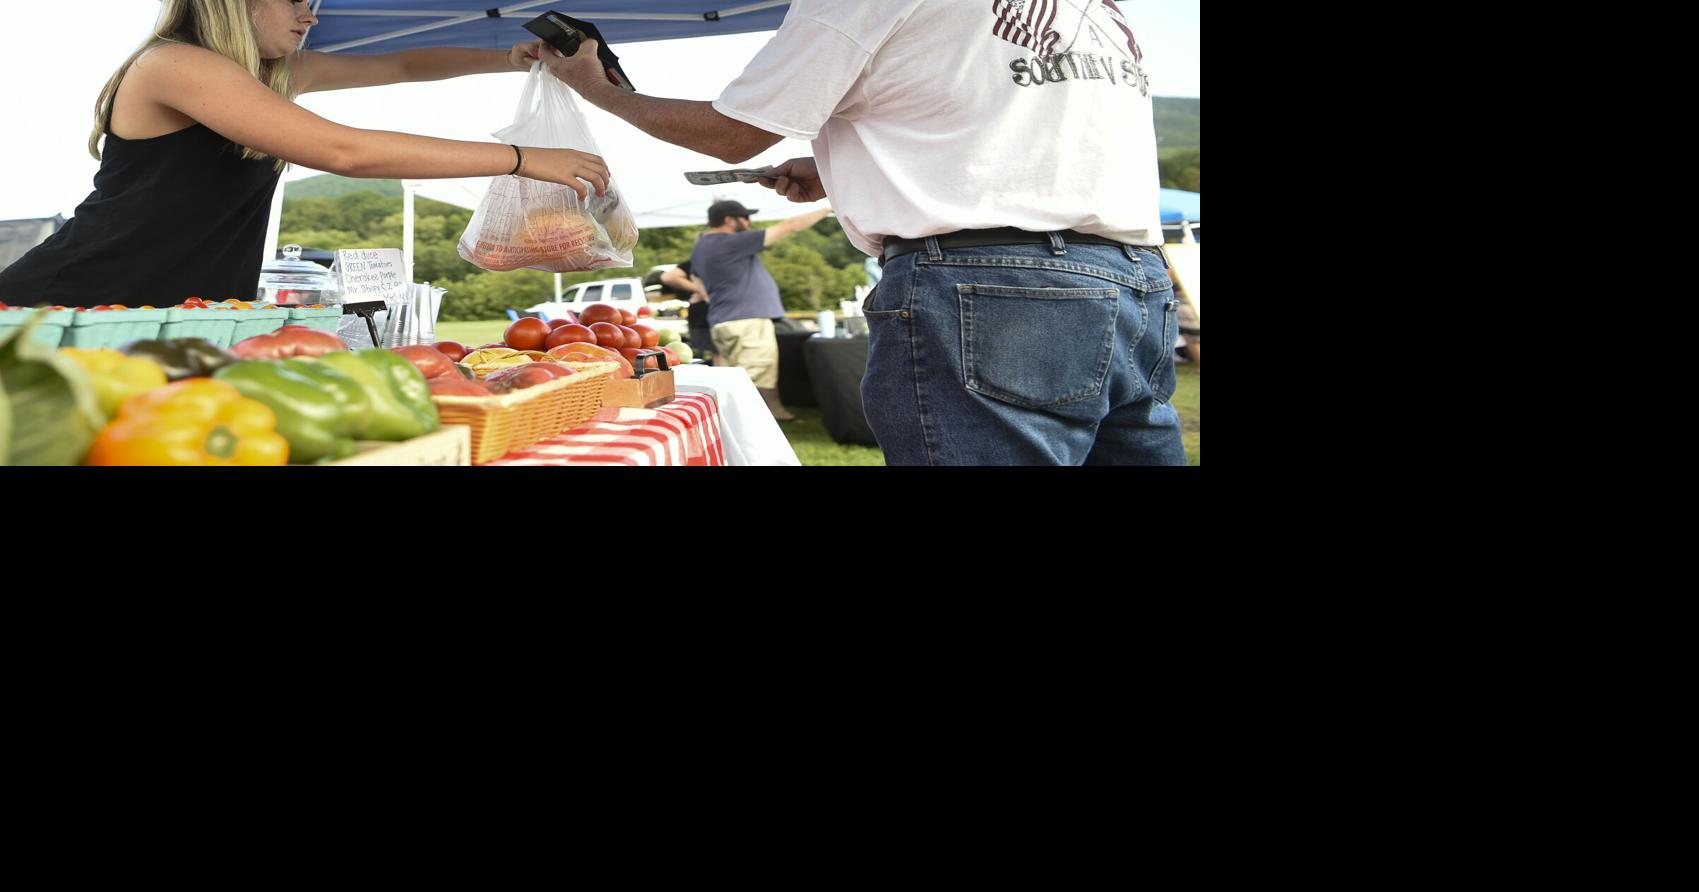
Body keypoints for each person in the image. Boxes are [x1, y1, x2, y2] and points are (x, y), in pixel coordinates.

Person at [542, 0, 1185, 465]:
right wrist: (840, 165)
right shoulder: (1101, 9)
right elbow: (1013, 134)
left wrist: (595, 87)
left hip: (991, 285)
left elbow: (731, 133)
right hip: (1134, 277)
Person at [0, 0, 609, 309]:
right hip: (70, 301)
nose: (309, 13)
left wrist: (504, 57)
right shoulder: (174, 64)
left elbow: (401, 63)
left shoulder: (272, 72)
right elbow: (343, 151)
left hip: (173, 310)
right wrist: (521, 158)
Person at [686, 200, 832, 422]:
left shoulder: (702, 246)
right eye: (745, 218)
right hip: (746, 322)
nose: (749, 223)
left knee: (738, 379)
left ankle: (771, 415)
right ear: (729, 220)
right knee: (753, 379)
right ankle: (747, 426)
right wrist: (829, 207)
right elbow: (790, 226)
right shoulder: (730, 242)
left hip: (723, 320)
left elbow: (698, 282)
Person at [658, 260, 715, 361]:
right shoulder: (703, 261)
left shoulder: (703, 260)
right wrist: (702, 290)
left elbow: (668, 277)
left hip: (707, 315)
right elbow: (668, 277)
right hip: (705, 315)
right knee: (715, 354)